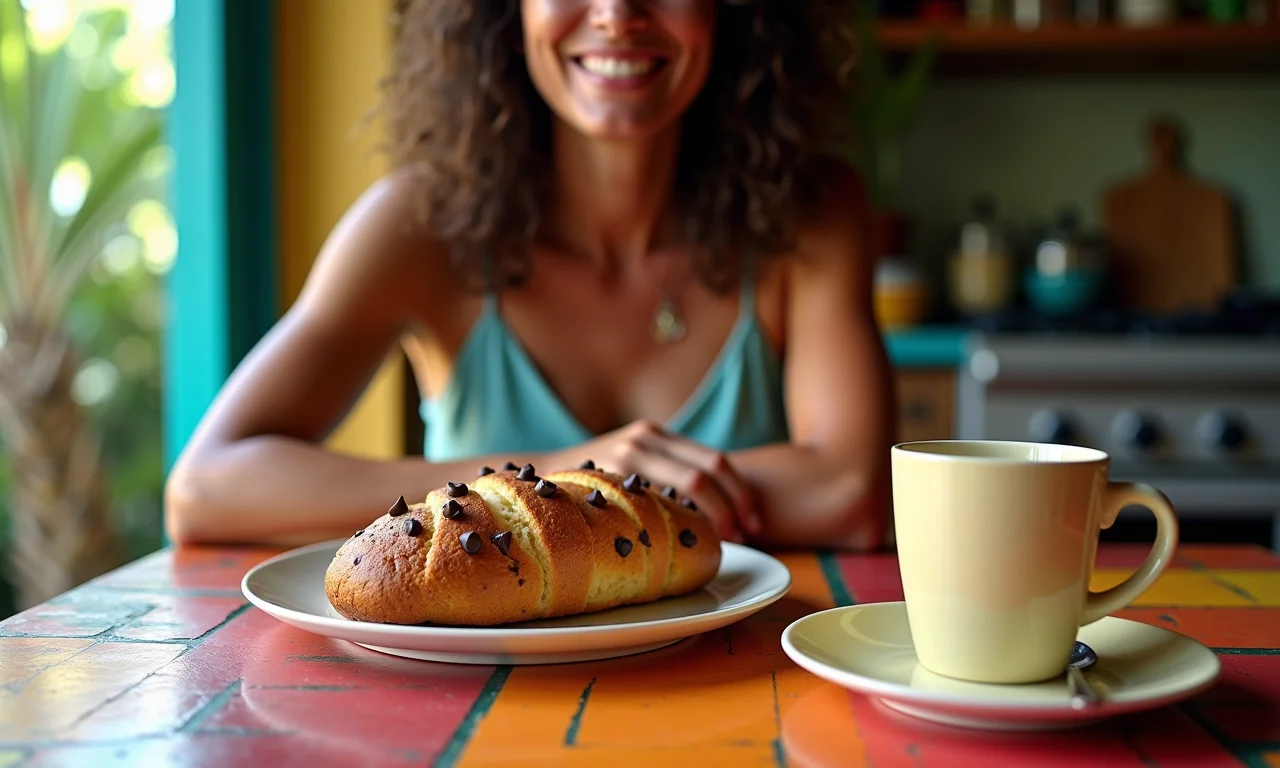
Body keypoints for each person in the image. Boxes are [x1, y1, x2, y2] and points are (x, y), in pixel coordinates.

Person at [164, 0, 896, 551]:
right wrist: (556, 473)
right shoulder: (421, 224)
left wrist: (578, 493)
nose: (617, 15)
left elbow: (852, 493)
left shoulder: (811, 213)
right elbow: (208, 488)